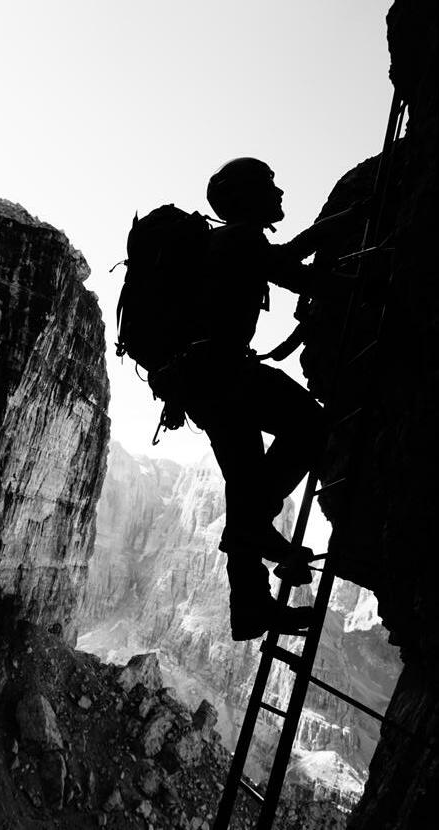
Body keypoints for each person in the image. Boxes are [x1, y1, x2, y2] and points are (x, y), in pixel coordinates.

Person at [166, 157, 362, 640]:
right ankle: (255, 529)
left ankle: (250, 607)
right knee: (311, 427)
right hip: (228, 375)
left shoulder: (228, 241)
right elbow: (298, 276)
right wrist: (375, 287)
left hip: (204, 384)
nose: (279, 193)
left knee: (244, 488)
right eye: (269, 185)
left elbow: (284, 257)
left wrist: (331, 227)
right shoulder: (240, 240)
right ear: (249, 196)